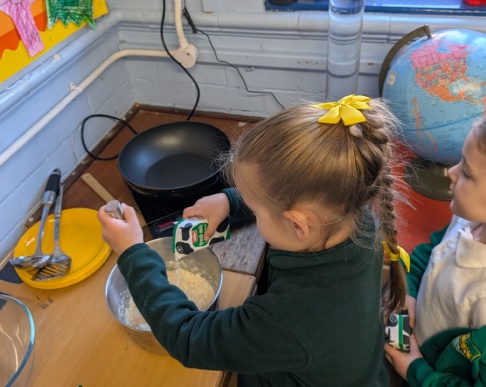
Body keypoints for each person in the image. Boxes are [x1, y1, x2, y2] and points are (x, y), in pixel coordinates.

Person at [98, 94, 408, 386]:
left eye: (254, 209)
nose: (252, 211)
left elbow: (187, 337)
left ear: (297, 225)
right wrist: (229, 201)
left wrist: (132, 252)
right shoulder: (356, 217)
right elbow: (283, 201)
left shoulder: (290, 319)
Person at [384, 117, 486, 385]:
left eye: (467, 173)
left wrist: (414, 369)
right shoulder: (467, 219)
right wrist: (407, 293)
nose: (452, 172)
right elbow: (429, 254)